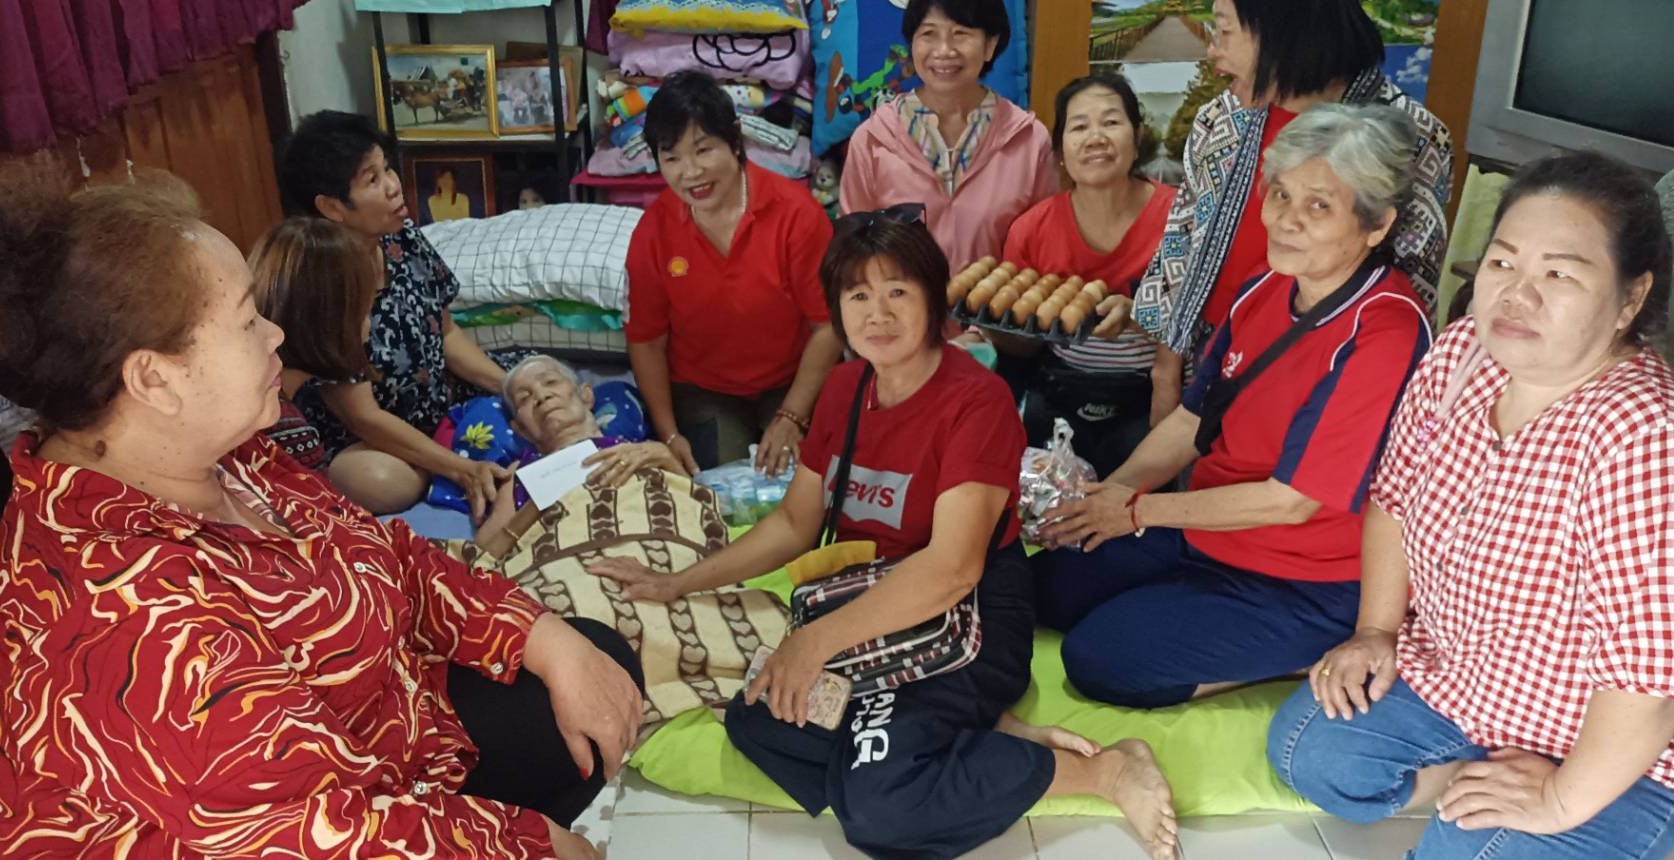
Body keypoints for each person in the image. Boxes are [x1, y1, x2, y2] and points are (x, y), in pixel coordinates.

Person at [0, 157, 644, 859]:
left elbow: (387, 553)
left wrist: (540, 636)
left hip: (389, 735)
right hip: (302, 824)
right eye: (247, 321)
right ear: (154, 379)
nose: (275, 334)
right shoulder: (127, 618)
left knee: (592, 662)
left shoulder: (229, 455)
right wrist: (533, 844)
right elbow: (321, 835)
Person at [593, 210, 1180, 860]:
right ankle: (962, 734)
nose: (878, 313)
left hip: (967, 610)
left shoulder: (976, 402)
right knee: (757, 718)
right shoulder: (845, 387)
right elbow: (794, 523)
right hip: (869, 601)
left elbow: (953, 569)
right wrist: (677, 582)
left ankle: (1106, 771)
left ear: (932, 299)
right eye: (858, 295)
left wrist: (814, 643)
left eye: (898, 290)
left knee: (880, 809)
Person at [1268, 153, 1674, 859]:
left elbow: (1648, 680)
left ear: (1629, 300)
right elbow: (1393, 499)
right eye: (1502, 263)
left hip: (1619, 744)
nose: (1517, 295)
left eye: (1559, 275)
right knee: (1308, 748)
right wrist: (1376, 632)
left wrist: (1558, 799)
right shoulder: (1462, 355)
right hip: (1470, 683)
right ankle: (1470, 778)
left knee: (1463, 851)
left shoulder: (1642, 436)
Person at [1030, 104, 1432, 711]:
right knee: (1044, 590)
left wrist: (1136, 512)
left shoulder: (1385, 331)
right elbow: (1194, 420)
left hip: (1304, 577)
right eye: (1281, 195)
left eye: (1319, 206)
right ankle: (1182, 603)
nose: (1287, 220)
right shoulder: (1264, 287)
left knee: (1098, 659)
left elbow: (1291, 501)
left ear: (1376, 226)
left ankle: (1303, 653)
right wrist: (1110, 497)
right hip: (1207, 534)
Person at [1131, 0, 1452, 424]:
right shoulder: (1223, 117)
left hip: (1324, 381)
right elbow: (1182, 240)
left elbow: (1411, 291)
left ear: (1282, 34)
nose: (1212, 50)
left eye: (1224, 32)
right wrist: (1166, 369)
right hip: (1209, 362)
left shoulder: (1409, 138)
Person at [276, 110, 520, 516]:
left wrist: (512, 387)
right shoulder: (321, 284)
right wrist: (462, 469)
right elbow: (364, 417)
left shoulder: (401, 237)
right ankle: (443, 451)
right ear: (332, 207)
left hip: (439, 399)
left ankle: (445, 443)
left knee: (540, 379)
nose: (393, 186)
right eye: (373, 179)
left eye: (387, 168)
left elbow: (446, 333)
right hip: (371, 435)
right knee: (381, 481)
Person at [625, 71, 842, 476]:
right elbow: (647, 341)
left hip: (793, 379)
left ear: (736, 139)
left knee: (801, 483)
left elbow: (828, 325)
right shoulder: (653, 232)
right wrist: (669, 435)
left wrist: (792, 415)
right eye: (672, 158)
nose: (690, 172)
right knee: (719, 488)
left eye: (703, 150)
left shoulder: (796, 214)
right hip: (704, 390)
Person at [249, 217, 511, 509]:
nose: (372, 323)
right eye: (365, 309)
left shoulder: (276, 390)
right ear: (330, 318)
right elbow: (323, 523)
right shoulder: (283, 431)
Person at [1000, 72, 1179, 475]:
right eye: (1079, 127)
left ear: (1138, 136)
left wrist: (1139, 315)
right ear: (1061, 149)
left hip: (1153, 399)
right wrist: (991, 326)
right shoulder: (1032, 230)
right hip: (1059, 393)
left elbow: (1209, 325)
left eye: (1111, 122)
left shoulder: (1179, 220)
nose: (1095, 138)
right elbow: (1024, 347)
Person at [839, 0, 1057, 271]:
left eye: (960, 33)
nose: (943, 50)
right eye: (929, 33)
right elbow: (852, 251)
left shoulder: (1029, 140)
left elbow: (1044, 247)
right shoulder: (872, 139)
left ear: (990, 45)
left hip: (999, 298)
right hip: (898, 300)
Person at [475, 355, 684, 556]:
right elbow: (483, 556)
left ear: (586, 396)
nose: (541, 396)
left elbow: (696, 508)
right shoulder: (521, 473)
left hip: (650, 543)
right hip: (562, 562)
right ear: (521, 429)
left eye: (550, 382)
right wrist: (538, 503)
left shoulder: (642, 451)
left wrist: (668, 459)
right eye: (524, 398)